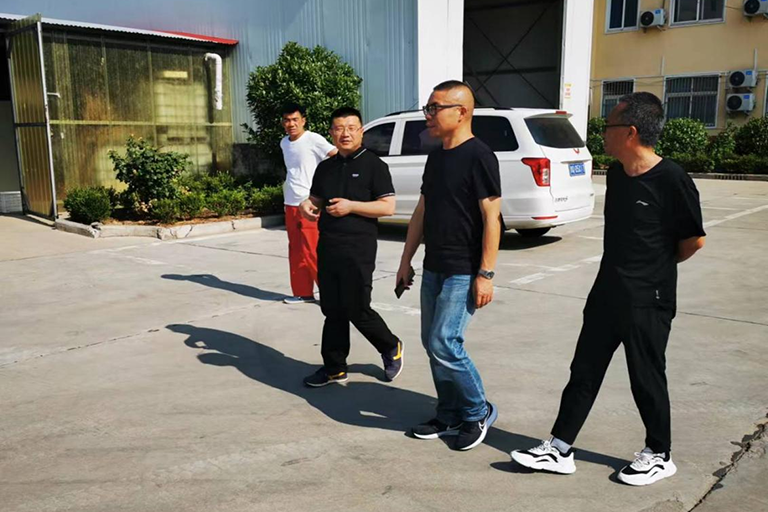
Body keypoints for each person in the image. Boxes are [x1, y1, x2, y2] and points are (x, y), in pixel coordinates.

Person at [511, 92, 706, 486]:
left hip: (648, 299)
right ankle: (560, 447)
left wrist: (653, 270)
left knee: (645, 376)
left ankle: (659, 453)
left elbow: (693, 241)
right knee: (584, 370)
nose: (602, 132)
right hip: (606, 292)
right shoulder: (616, 175)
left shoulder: (672, 179)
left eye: (608, 126)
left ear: (630, 132)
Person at [396, 80, 502, 451]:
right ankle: (449, 413)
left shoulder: (480, 156)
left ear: (462, 112)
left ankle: (477, 411)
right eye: (428, 107)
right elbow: (422, 211)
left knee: (445, 342)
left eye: (435, 108)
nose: (428, 115)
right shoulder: (436, 157)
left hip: (463, 269)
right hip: (434, 265)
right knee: (432, 342)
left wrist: (485, 274)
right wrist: (406, 260)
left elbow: (492, 218)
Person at [299, 107, 403, 387]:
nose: (345, 133)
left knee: (357, 308)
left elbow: (388, 207)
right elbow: (315, 199)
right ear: (331, 133)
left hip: (358, 247)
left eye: (351, 128)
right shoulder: (325, 167)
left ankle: (390, 345)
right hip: (328, 245)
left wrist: (351, 206)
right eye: (339, 128)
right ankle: (334, 367)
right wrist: (306, 206)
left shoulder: (374, 165)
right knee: (332, 309)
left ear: (361, 132)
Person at [279, 103, 337, 305]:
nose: (291, 124)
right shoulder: (284, 143)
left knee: (313, 250)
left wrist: (324, 189)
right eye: (287, 120)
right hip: (290, 202)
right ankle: (303, 292)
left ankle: (330, 294)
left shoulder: (313, 139)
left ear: (303, 120)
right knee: (296, 250)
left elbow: (336, 157)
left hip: (310, 203)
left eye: (295, 119)